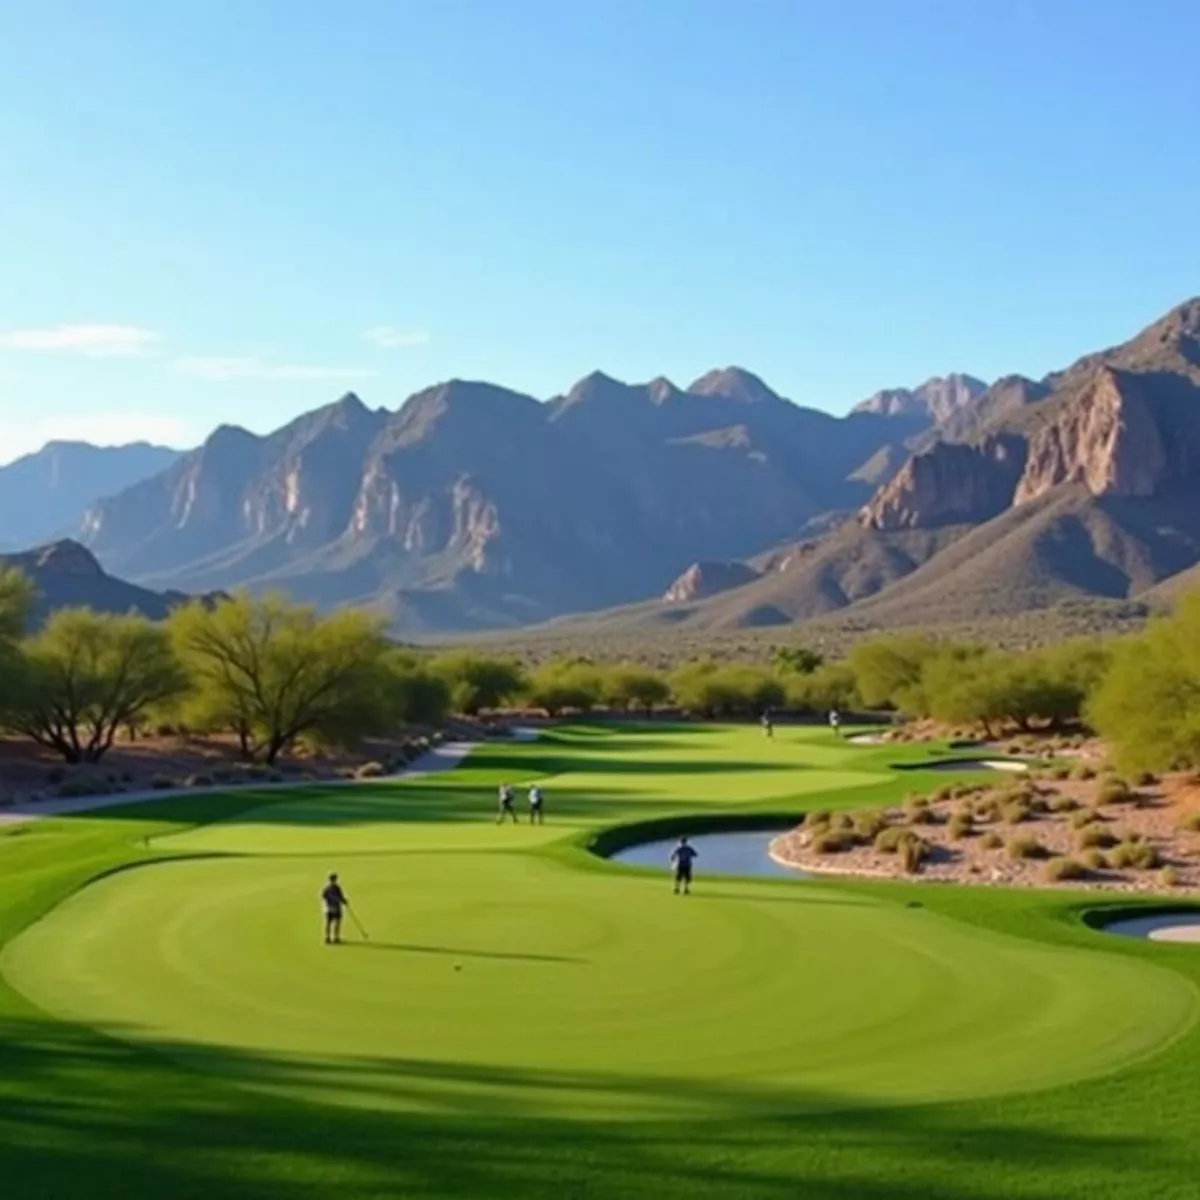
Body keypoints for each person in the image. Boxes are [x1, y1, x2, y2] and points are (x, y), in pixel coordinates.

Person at [321, 872, 348, 945]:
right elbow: (340, 897)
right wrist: (344, 901)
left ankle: (327, 938)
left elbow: (323, 896)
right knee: (336, 923)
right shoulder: (337, 888)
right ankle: (335, 938)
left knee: (328, 923)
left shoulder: (327, 888)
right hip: (336, 908)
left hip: (328, 908)